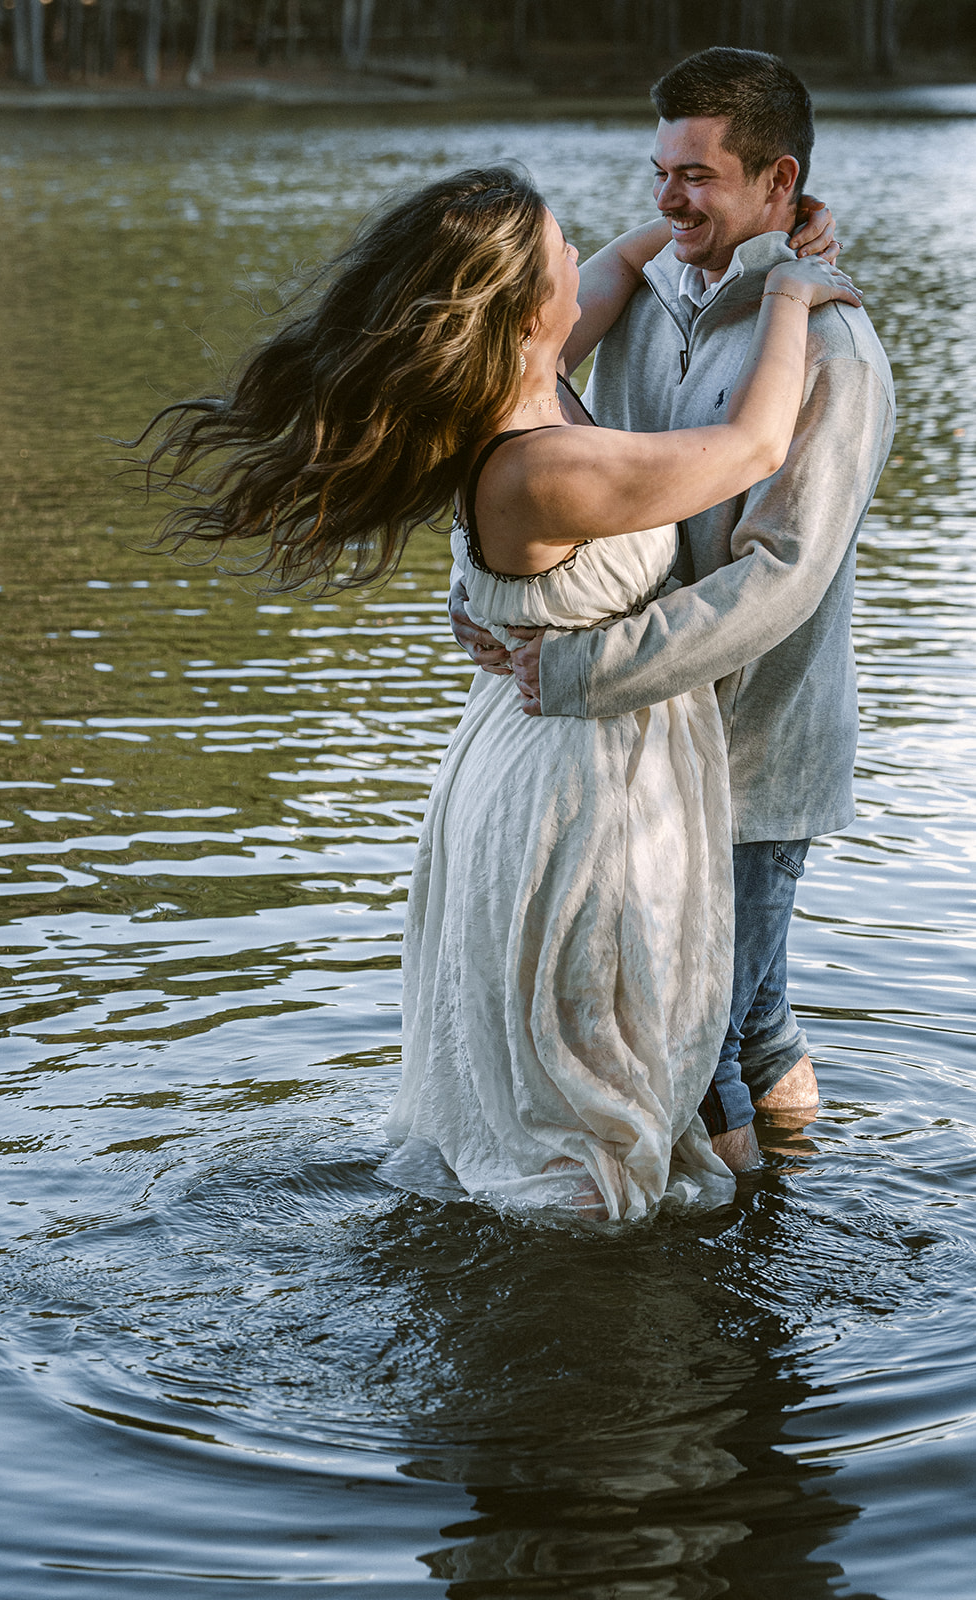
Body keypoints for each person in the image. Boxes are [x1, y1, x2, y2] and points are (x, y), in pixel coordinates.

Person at [142, 165, 860, 1222]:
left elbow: (625, 259)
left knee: (585, 1044)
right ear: (529, 300)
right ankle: (577, 1300)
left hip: (539, 748)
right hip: (574, 784)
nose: (592, 254)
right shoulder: (546, 461)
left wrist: (750, 227)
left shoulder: (518, 377)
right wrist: (793, 291)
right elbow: (752, 447)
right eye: (560, 244)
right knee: (581, 1081)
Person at [452, 49, 897, 1175]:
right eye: (658, 170)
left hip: (747, 754)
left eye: (695, 176)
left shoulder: (830, 351)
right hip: (644, 753)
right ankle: (790, 1191)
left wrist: (578, 671)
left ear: (775, 180)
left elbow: (778, 581)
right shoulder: (650, 307)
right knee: (751, 1022)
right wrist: (496, 596)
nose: (664, 198)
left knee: (693, 1045)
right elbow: (538, 459)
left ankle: (740, 1279)